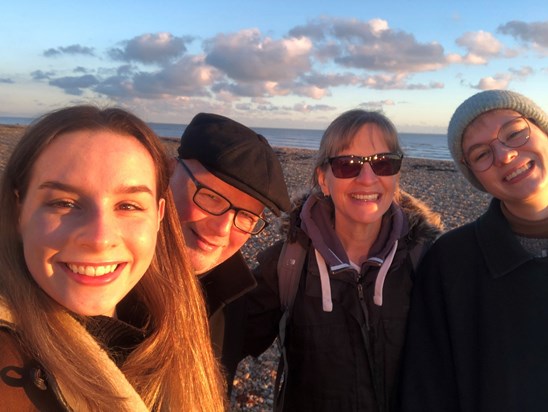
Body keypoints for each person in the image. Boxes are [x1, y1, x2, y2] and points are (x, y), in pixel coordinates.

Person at [0, 106, 225, 411]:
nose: (99, 238)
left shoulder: (174, 330)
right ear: (18, 212)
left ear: (158, 217)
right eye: (64, 203)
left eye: (129, 206)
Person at [243, 109, 443, 411]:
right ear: (323, 179)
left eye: (383, 163)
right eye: (348, 165)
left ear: (396, 175)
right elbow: (221, 340)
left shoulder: (427, 259)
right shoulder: (288, 264)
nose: (367, 178)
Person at [400, 90, 548, 411]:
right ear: (475, 177)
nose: (505, 155)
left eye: (514, 133)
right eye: (481, 154)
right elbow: (425, 392)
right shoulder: (449, 263)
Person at [168, 113, 291, 391]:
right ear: (167, 172)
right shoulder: (102, 284)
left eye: (246, 216)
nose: (222, 229)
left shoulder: (234, 299)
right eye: (211, 196)